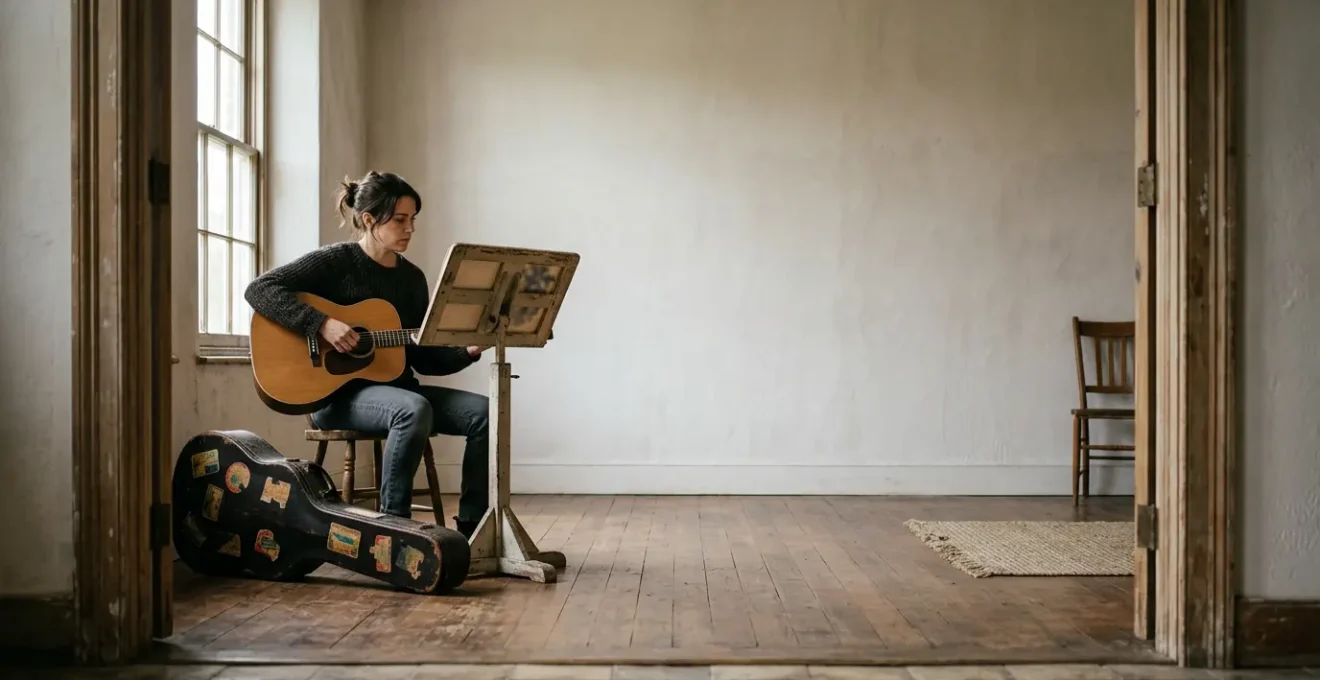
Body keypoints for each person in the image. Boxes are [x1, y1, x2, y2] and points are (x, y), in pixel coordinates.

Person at [244, 170, 488, 539]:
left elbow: (423, 356)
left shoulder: (412, 279)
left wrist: (466, 351)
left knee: (484, 413)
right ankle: (394, 531)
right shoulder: (335, 262)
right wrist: (321, 324)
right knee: (412, 409)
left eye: (413, 219)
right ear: (370, 219)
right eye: (400, 220)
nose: (410, 229)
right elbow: (260, 289)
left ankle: (472, 530)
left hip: (399, 392)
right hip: (334, 397)